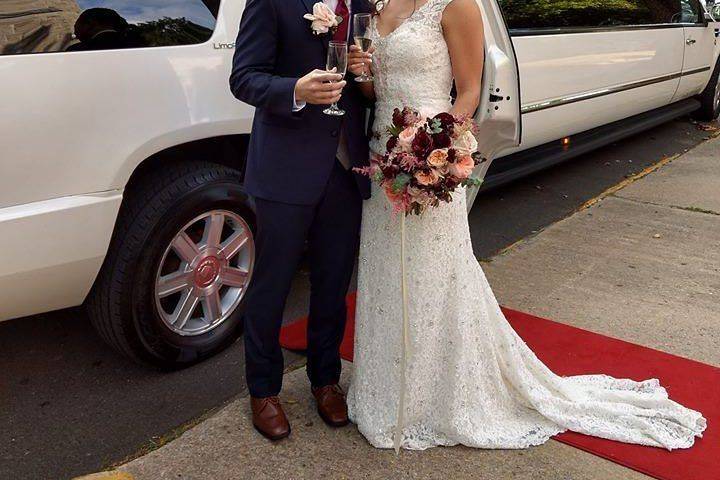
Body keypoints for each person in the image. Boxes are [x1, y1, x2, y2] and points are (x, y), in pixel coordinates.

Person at [345, 0, 706, 450]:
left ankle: (428, 399)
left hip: (428, 158)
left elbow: (470, 92)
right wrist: (362, 74)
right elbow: (375, 92)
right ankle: (385, 389)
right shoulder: (378, 6)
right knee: (385, 275)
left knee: (433, 275)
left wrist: (434, 148)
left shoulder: (455, 6)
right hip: (381, 161)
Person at [229, 0, 372, 441]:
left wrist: (365, 73)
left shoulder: (362, 5)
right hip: (286, 169)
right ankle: (263, 390)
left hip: (346, 170)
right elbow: (244, 77)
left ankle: (325, 380)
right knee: (272, 284)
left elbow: (370, 91)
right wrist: (295, 90)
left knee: (333, 284)